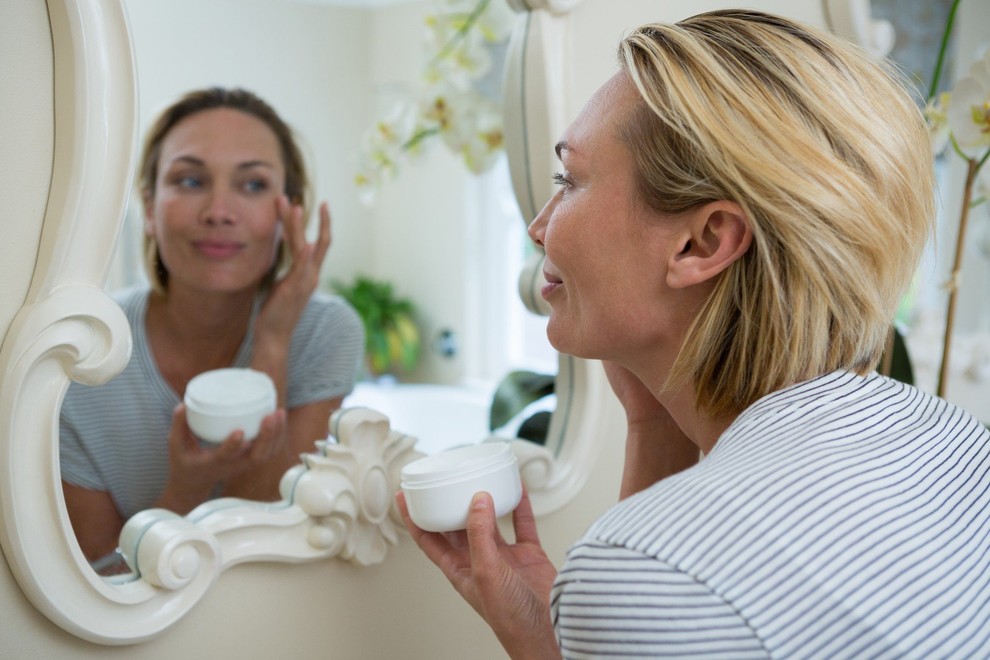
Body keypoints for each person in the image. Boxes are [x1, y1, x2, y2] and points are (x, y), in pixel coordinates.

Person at [398, 9, 990, 658]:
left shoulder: (656, 572)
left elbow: (679, 580)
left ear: (703, 241)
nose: (540, 226)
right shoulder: (956, 439)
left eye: (569, 179)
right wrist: (652, 430)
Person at [60, 87, 364, 572]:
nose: (220, 211)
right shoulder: (82, 352)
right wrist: (186, 487)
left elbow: (266, 545)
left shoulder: (323, 333)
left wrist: (272, 341)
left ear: (290, 213)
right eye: (190, 180)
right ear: (149, 206)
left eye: (252, 185)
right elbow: (97, 586)